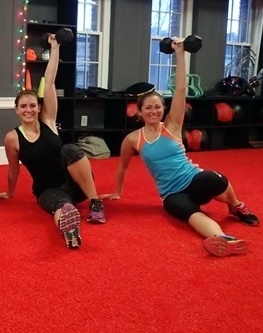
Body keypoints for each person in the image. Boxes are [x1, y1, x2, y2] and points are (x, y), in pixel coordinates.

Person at [102, 39, 259, 257]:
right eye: (148, 108)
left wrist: (180, 53)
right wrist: (117, 191)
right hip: (171, 194)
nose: (153, 111)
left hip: (193, 180)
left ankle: (235, 205)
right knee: (188, 212)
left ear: (163, 108)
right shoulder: (132, 139)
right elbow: (122, 166)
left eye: (157, 107)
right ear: (139, 111)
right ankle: (223, 238)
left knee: (216, 179)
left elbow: (181, 88)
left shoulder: (172, 125)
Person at [0, 34, 106, 249]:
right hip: (47, 189)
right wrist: (9, 192)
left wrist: (55, 47)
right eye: (23, 106)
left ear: (38, 107)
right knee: (62, 207)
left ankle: (95, 203)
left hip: (76, 183)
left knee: (70, 149)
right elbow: (13, 169)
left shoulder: (49, 121)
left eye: (32, 105)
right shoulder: (12, 138)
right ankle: (69, 231)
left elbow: (50, 80)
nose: (28, 110)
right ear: (16, 110)